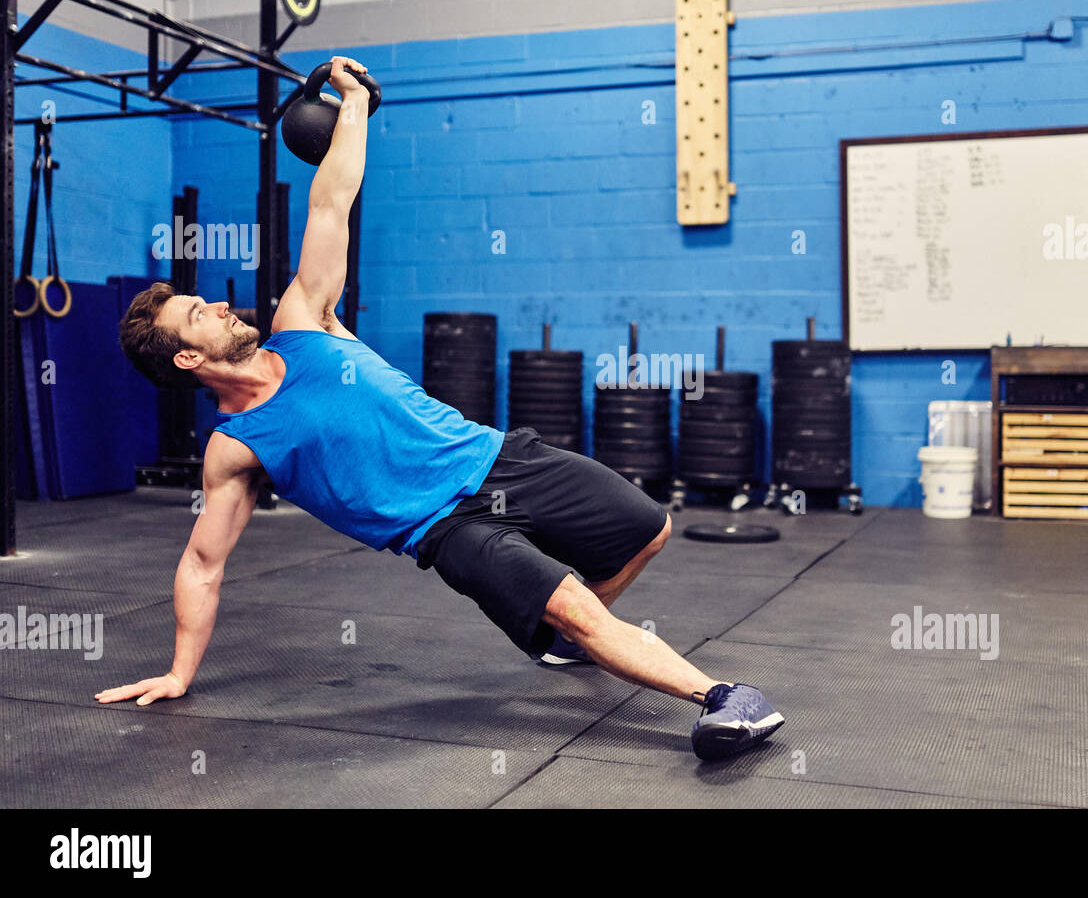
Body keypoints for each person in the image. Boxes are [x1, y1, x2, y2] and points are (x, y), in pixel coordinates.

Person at [101, 57, 784, 762]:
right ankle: (722, 698)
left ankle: (569, 640)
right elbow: (202, 563)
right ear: (188, 358)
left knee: (648, 527)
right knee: (577, 608)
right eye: (197, 314)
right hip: (449, 529)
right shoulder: (237, 446)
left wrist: (357, 104)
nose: (216, 303)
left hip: (497, 456)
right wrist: (181, 672)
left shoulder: (303, 319)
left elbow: (330, 203)